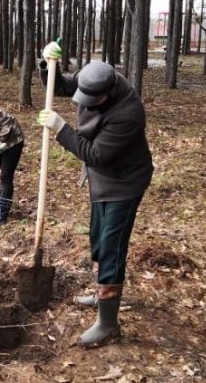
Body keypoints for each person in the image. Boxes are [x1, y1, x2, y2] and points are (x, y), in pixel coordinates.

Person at [37, 42, 153, 347]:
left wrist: (61, 129)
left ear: (109, 92)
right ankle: (103, 294)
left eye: (92, 100)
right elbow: (61, 85)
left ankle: (108, 323)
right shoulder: (93, 77)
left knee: (112, 246)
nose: (85, 103)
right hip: (102, 181)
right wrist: (47, 63)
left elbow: (95, 154)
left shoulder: (128, 113)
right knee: (98, 238)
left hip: (123, 184)